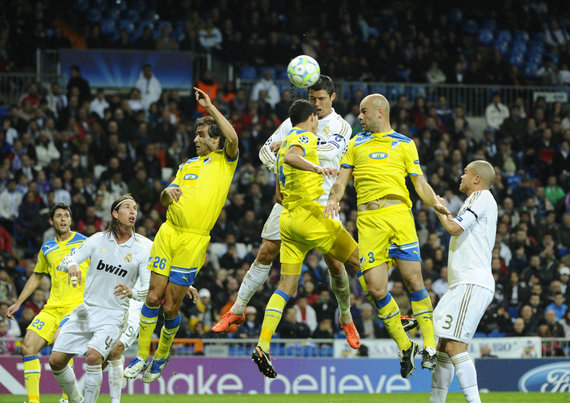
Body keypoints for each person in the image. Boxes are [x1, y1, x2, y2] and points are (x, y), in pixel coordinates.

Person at [213, 76, 359, 349]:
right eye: (312, 99)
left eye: (321, 100)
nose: (315, 105)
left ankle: (346, 317)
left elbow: (333, 151)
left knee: (336, 264)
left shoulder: (341, 125)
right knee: (266, 251)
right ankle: (237, 309)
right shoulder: (297, 119)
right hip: (290, 201)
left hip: (323, 200)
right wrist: (287, 153)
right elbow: (264, 153)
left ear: (333, 98)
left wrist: (295, 146)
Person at [325, 93, 449, 378]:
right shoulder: (355, 143)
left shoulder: (405, 144)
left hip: (399, 216)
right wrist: (334, 199)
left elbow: (419, 182)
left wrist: (436, 204)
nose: (359, 117)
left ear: (379, 112)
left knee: (413, 278)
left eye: (363, 112)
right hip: (369, 221)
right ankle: (406, 345)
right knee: (376, 287)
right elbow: (341, 181)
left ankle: (429, 346)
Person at [124, 87, 238, 383]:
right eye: (196, 135)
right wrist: (166, 193)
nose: (196, 139)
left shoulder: (225, 162)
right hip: (168, 233)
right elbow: (164, 199)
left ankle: (161, 355)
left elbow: (234, 138)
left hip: (194, 240)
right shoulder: (186, 166)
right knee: (152, 297)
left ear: (215, 139)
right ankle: (140, 356)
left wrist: (210, 107)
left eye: (202, 135)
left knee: (171, 306)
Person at [251, 99, 362, 378]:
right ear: (312, 117)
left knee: (285, 287)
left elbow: (278, 193)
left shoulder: (283, 143)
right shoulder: (302, 136)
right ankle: (400, 323)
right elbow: (293, 157)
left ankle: (263, 344)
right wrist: (318, 169)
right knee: (362, 262)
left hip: (288, 221)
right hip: (313, 218)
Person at [48, 195, 152, 403]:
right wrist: (72, 265)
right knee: (56, 361)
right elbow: (66, 260)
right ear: (115, 213)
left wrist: (133, 293)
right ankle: (76, 399)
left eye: (135, 208)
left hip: (113, 315)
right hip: (87, 310)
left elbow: (148, 287)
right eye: (127, 208)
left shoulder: (142, 249)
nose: (133, 212)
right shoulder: (97, 239)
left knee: (94, 357)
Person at [429, 160, 498, 403]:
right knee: (444, 347)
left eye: (466, 172)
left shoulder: (482, 197)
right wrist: (443, 212)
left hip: (472, 281)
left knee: (456, 347)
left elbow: (454, 229)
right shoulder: (473, 201)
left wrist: (440, 210)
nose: (461, 175)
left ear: (477, 179)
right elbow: (454, 226)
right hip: (462, 284)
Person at [6, 203, 88, 403]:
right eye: (58, 216)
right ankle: (34, 401)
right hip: (52, 308)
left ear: (70, 220)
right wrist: (18, 303)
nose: (63, 219)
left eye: (66, 216)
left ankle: (66, 397)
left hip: (76, 306)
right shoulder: (47, 248)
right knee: (28, 346)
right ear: (51, 221)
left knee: (61, 346)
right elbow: (36, 276)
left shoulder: (85, 242)